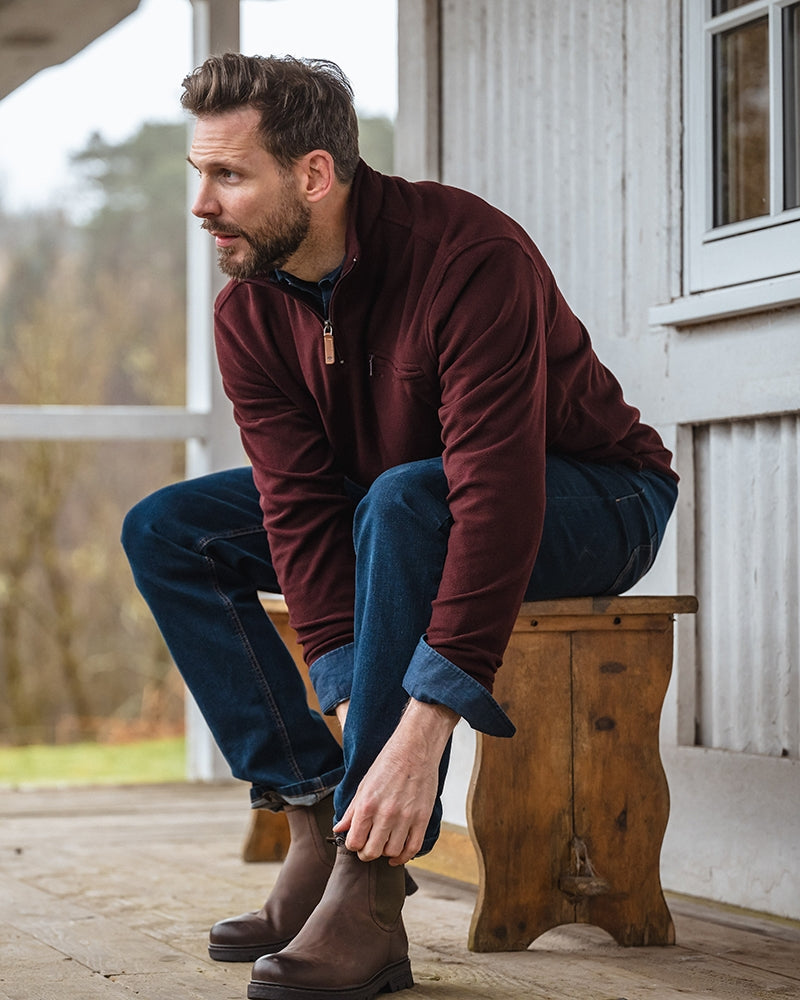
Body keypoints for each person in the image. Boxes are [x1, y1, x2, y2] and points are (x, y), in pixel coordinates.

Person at [122, 53, 678, 1000]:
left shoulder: (467, 257)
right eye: (198, 174)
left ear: (313, 174)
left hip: (597, 498)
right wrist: (340, 688)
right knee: (171, 529)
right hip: (398, 500)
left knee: (407, 501)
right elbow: (297, 503)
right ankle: (314, 818)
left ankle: (370, 885)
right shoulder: (249, 306)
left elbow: (493, 497)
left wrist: (419, 732)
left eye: (229, 175)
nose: (202, 204)